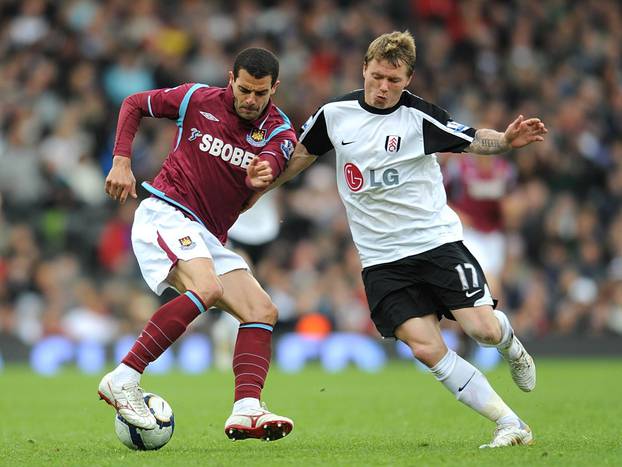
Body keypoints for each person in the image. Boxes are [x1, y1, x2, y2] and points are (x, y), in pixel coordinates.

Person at [254, 31, 547, 448]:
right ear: (364, 69)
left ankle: (511, 346)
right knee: (426, 349)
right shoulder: (333, 114)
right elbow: (299, 158)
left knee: (481, 329)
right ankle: (510, 423)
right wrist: (254, 193)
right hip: (381, 260)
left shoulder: (418, 118)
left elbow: (472, 138)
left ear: (408, 79)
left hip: (435, 244)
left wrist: (505, 141)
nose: (383, 87)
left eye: (393, 80)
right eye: (376, 77)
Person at [98, 47, 295, 442]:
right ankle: (124, 376)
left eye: (260, 93)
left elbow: (276, 157)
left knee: (261, 309)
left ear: (274, 88)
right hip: (166, 212)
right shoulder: (196, 99)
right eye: (244, 90)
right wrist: (121, 161)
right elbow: (134, 103)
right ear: (230, 79)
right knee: (208, 287)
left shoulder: (278, 130)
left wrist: (265, 171)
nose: (251, 100)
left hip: (206, 233)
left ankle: (247, 408)